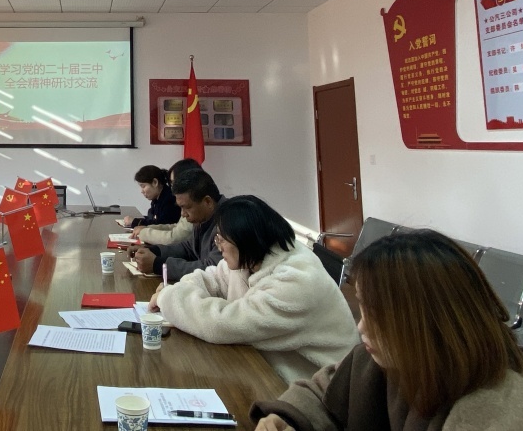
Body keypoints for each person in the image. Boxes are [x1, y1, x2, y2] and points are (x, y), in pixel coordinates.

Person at [251, 229, 523, 430]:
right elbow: (323, 393)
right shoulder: (389, 358)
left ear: (429, 319)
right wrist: (287, 418)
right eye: (364, 308)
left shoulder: (498, 415)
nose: (361, 326)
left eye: (379, 314)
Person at [153, 195, 358, 382]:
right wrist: (177, 291)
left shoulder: (297, 280)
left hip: (320, 390)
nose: (218, 246)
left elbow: (225, 324)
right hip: (272, 368)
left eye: (221, 239)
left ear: (244, 238)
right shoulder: (252, 256)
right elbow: (211, 278)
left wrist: (168, 298)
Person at [127, 167, 223, 281]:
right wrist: (153, 250)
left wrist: (158, 264)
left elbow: (212, 270)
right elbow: (188, 248)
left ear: (207, 202)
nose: (182, 214)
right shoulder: (203, 216)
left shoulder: (227, 222)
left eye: (186, 207)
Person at [136, 158, 199, 246]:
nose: (172, 188)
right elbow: (176, 227)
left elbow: (175, 238)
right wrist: (147, 228)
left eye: (173, 183)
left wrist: (144, 233)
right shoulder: (158, 199)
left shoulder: (171, 199)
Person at [122, 164, 180, 230]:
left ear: (155, 182)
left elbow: (162, 225)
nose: (142, 191)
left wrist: (135, 222)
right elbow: (153, 219)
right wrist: (136, 220)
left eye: (143, 186)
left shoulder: (169, 199)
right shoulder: (157, 199)